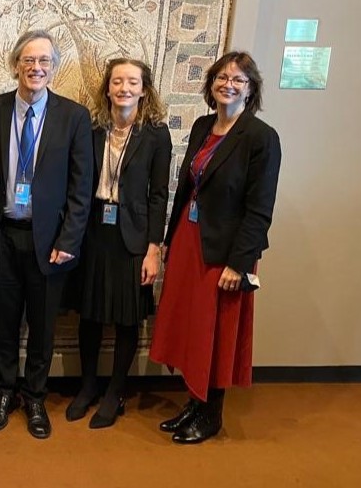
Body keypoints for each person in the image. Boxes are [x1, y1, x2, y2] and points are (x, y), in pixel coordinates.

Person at [150, 51, 281, 444]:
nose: (228, 84)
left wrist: (239, 264)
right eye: (222, 77)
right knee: (191, 324)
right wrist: (170, 241)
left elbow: (260, 209)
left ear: (251, 88)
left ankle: (211, 414)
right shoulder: (203, 125)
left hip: (226, 250)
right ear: (211, 84)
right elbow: (188, 188)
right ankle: (193, 402)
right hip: (192, 241)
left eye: (238, 79)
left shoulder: (261, 138)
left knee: (215, 329)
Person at [0, 30, 93, 439]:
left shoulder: (73, 117)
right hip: (2, 237)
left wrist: (69, 240)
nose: (35, 68)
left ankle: (36, 396)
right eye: (28, 60)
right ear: (16, 65)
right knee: (3, 320)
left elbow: (81, 188)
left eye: (44, 61)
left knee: (42, 326)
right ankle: (3, 391)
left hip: (50, 241)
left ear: (53, 67)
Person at [64, 58, 172, 429]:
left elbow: (159, 195)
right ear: (107, 88)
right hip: (93, 230)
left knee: (127, 317)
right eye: (117, 81)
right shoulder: (91, 129)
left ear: (144, 89)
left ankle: (116, 391)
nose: (124, 88)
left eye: (132, 82)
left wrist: (154, 248)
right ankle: (89, 384)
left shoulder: (156, 135)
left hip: (133, 237)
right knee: (90, 313)